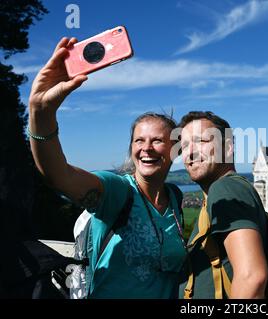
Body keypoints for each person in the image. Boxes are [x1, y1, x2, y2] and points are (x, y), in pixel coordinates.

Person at [27, 37, 186, 298]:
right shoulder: (116, 191)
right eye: (139, 140)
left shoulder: (175, 198)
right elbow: (59, 175)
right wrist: (41, 114)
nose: (146, 148)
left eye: (157, 140)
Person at [177, 111, 268, 299]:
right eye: (184, 146)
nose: (190, 152)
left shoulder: (226, 187)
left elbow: (252, 277)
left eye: (202, 141)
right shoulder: (222, 193)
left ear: (227, 148)